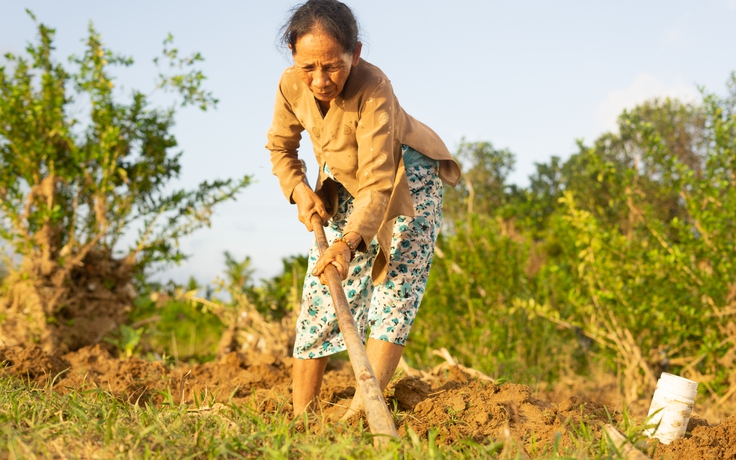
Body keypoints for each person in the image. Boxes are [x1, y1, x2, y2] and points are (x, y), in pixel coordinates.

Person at [266, 0, 460, 417]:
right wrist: (299, 190)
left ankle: (360, 414)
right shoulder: (290, 84)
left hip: (407, 174)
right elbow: (281, 149)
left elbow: (377, 184)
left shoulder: (375, 88)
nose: (320, 80)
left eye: (333, 66)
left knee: (393, 287)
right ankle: (303, 414)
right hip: (344, 178)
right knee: (323, 286)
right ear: (294, 58)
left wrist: (350, 242)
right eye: (308, 68)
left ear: (354, 53)